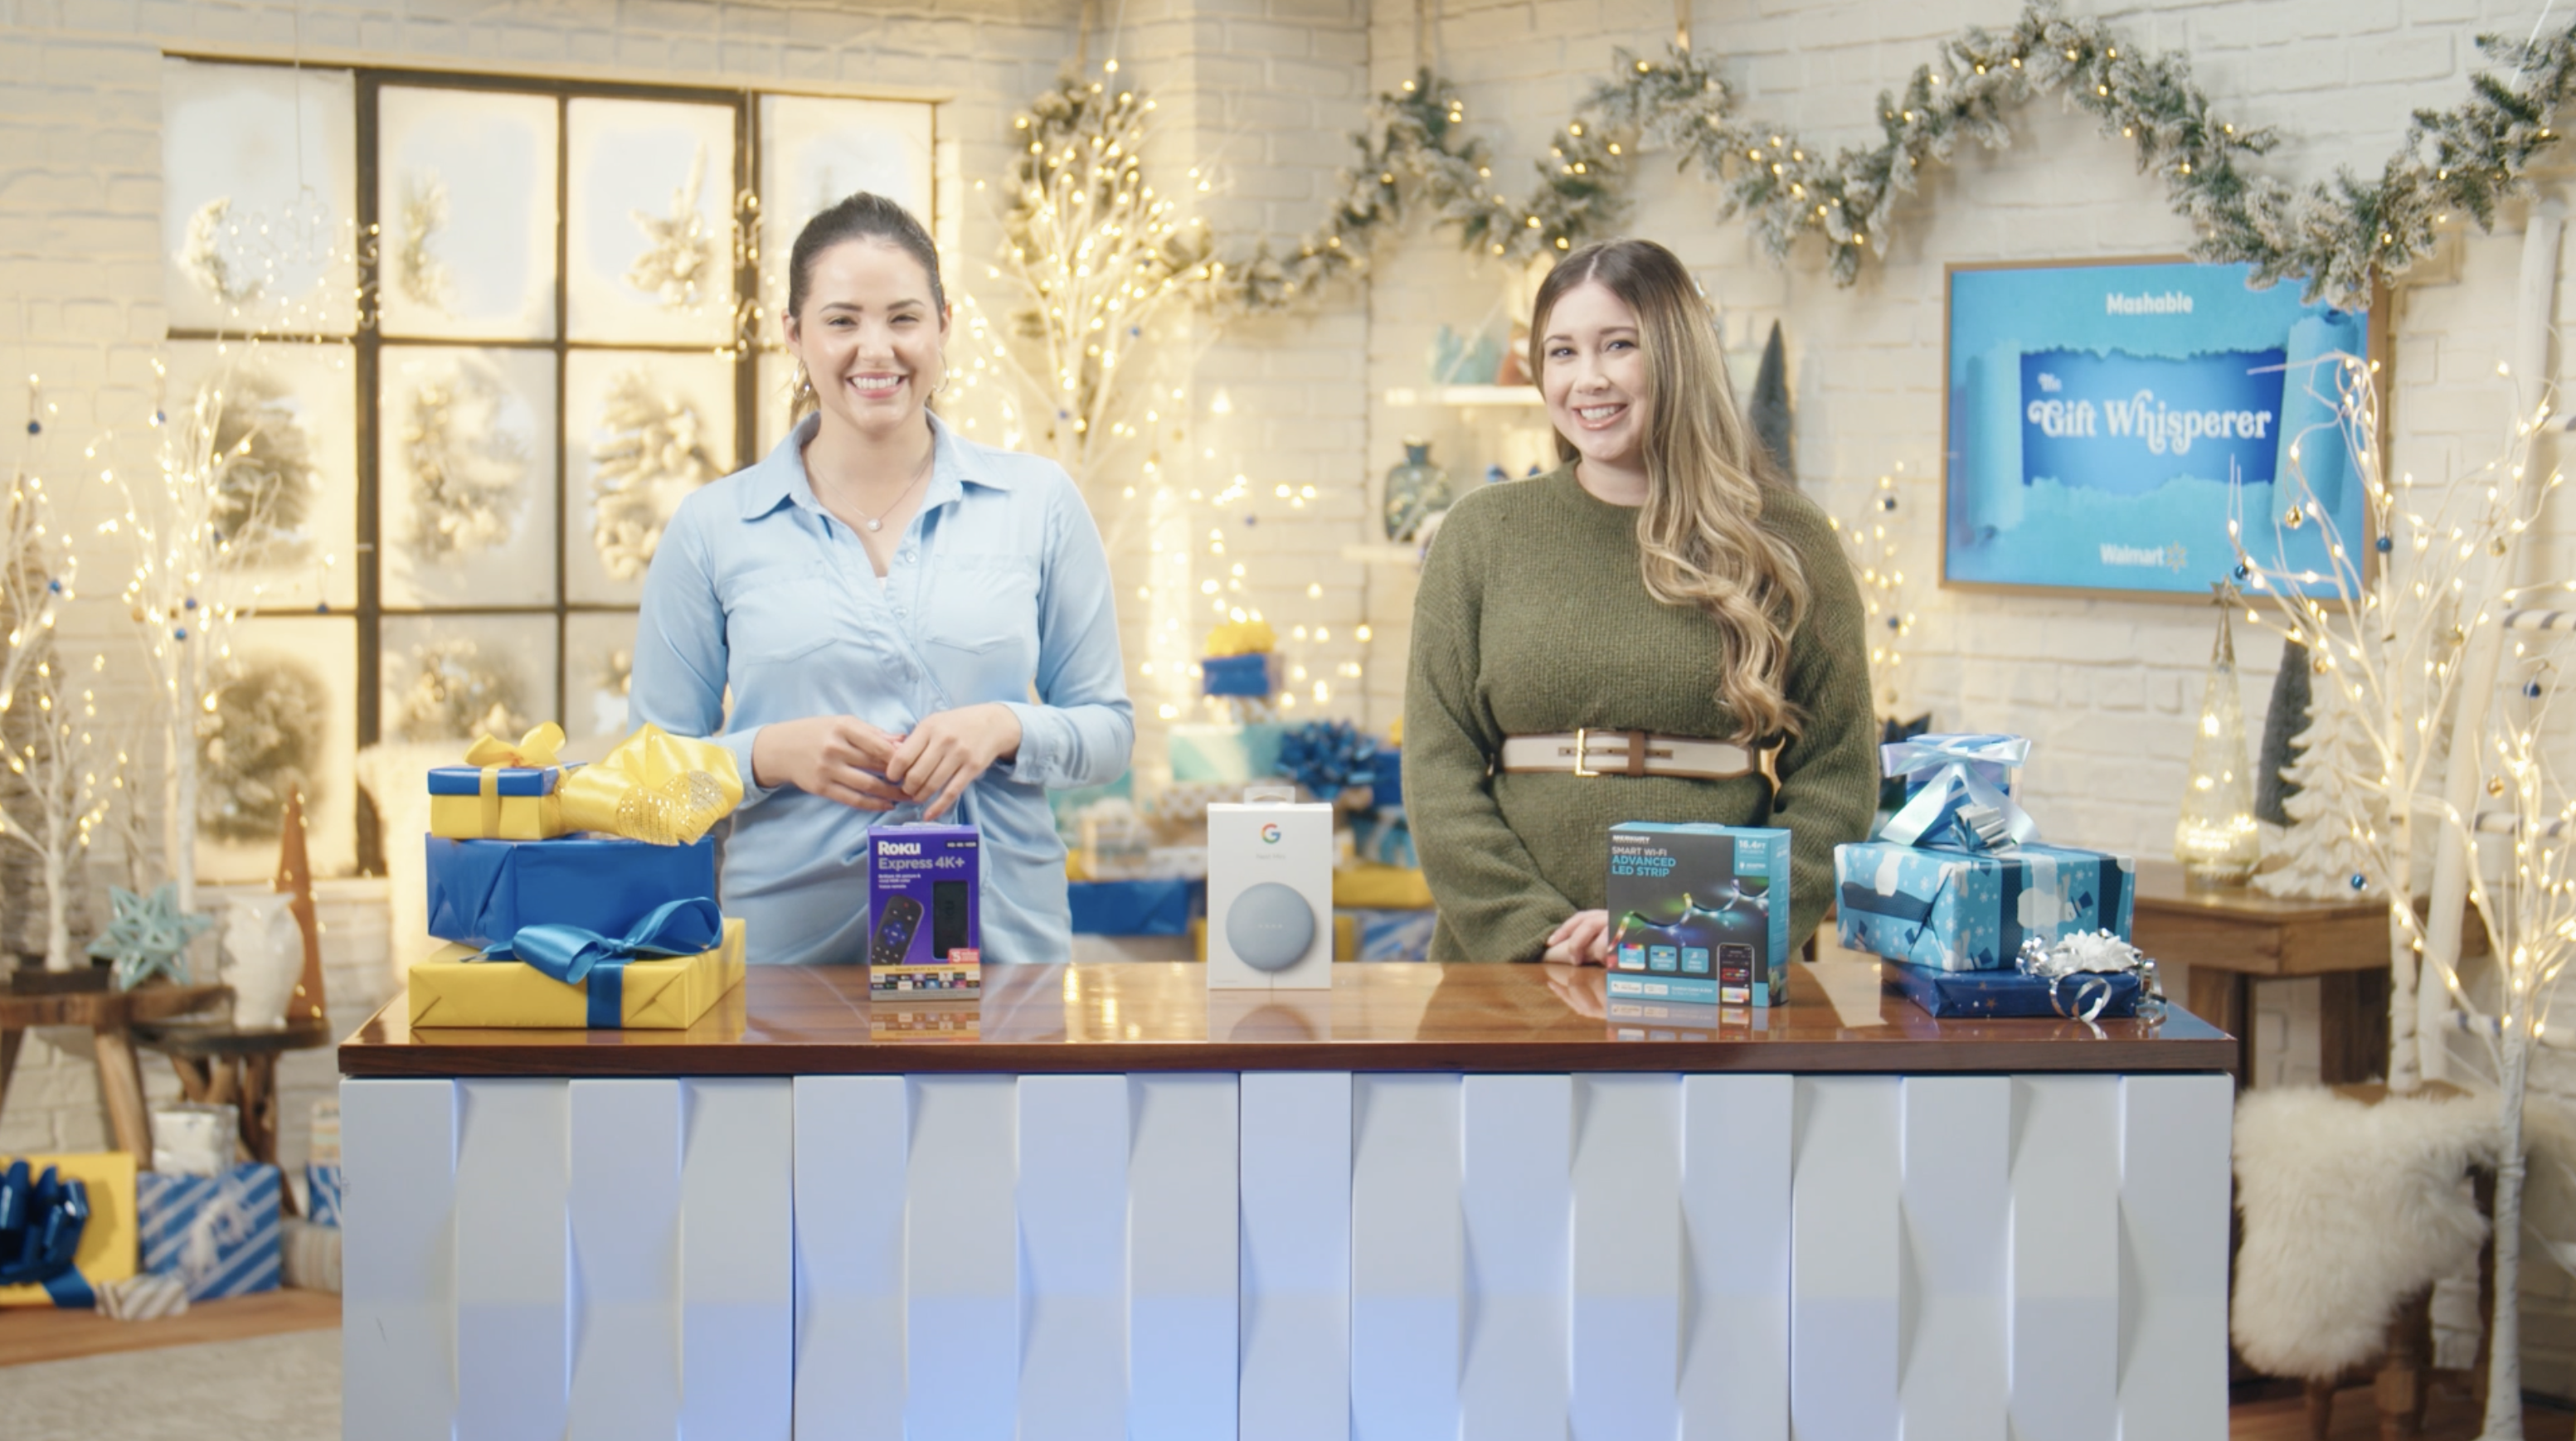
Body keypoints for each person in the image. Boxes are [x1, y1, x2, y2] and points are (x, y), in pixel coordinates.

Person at [630, 192, 1133, 966]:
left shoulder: (1039, 502)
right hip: (785, 968)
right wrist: (767, 755)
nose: (876, 350)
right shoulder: (712, 526)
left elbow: (1109, 733)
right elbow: (648, 788)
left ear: (943, 326)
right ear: (794, 335)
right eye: (841, 321)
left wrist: (1005, 727)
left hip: (1006, 957)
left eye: (904, 318)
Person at [1404, 237, 1875, 964]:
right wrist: (1533, 932)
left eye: (1618, 345)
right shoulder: (1482, 532)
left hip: (1711, 955)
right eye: (1561, 353)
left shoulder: (1786, 537)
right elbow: (1437, 771)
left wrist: (1700, 926)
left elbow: (1839, 778)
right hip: (1510, 963)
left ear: (1678, 355)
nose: (1587, 379)